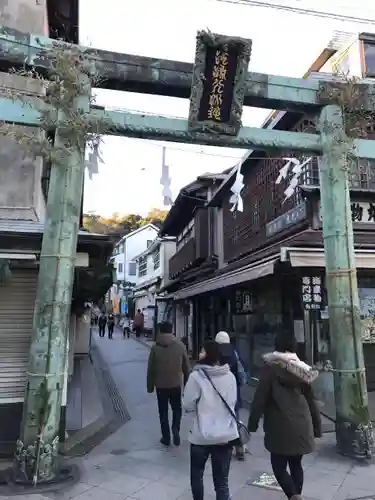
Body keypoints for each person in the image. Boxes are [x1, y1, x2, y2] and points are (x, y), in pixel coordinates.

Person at [247, 332, 322, 500]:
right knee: (296, 465)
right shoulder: (304, 371)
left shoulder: (270, 369)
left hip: (279, 427)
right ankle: (296, 496)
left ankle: (294, 496)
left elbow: (259, 399)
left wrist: (252, 424)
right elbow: (312, 401)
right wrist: (317, 427)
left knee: (278, 467)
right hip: (302, 424)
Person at [183, 340, 238, 500]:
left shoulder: (195, 377)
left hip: (201, 436)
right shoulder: (230, 376)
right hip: (225, 436)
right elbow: (233, 403)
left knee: (197, 475)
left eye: (202, 351)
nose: (199, 353)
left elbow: (187, 404)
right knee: (222, 482)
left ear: (207, 354)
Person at [147, 321, 190, 447]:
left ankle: (166, 437)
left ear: (161, 331)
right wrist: (187, 385)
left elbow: (151, 369)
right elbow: (187, 368)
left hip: (161, 386)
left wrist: (150, 386)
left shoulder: (155, 347)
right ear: (172, 330)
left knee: (163, 411)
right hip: (176, 384)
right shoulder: (180, 346)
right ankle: (176, 428)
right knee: (177, 409)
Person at [215, 331, 246, 461]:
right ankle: (240, 448)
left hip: (218, 393)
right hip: (234, 392)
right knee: (235, 419)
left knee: (219, 419)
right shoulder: (235, 352)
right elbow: (243, 372)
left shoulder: (215, 353)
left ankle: (221, 445)